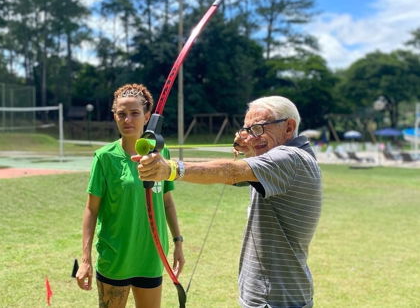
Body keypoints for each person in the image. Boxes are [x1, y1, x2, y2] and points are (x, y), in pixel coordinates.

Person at [134, 96, 322, 308]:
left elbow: (232, 172)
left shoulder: (291, 159)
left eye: (259, 129)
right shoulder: (290, 161)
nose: (251, 137)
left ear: (289, 127)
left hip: (277, 299)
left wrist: (169, 169)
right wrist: (252, 148)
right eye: (248, 130)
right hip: (269, 296)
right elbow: (240, 174)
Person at [76, 83, 185, 308]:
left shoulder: (160, 152)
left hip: (152, 255)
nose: (128, 120)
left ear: (147, 116)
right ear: (114, 116)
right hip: (115, 258)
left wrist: (178, 242)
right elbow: (91, 209)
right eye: (121, 114)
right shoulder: (104, 157)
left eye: (134, 113)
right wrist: (85, 260)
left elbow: (167, 201)